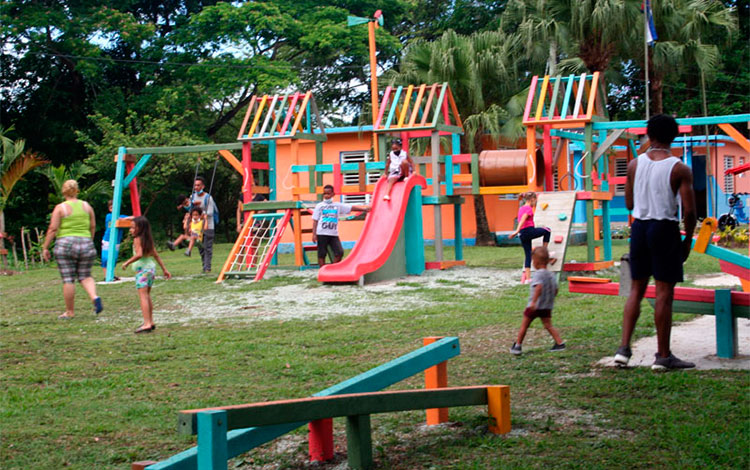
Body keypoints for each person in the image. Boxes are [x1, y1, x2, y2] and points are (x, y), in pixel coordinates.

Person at [614, 114, 697, 370]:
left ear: (648, 136)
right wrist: (687, 240)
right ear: (674, 137)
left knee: (636, 291)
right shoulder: (679, 168)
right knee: (663, 294)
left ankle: (623, 350)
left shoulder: (634, 165)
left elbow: (629, 204)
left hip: (639, 228)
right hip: (664, 228)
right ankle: (662, 356)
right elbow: (690, 211)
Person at [41, 179, 103, 319]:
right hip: (86, 242)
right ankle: (94, 297)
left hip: (66, 244)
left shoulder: (60, 208)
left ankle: (70, 311)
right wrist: (89, 240)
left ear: (64, 191)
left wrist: (45, 247)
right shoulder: (87, 206)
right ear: (77, 191)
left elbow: (53, 229)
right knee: (85, 275)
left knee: (68, 279)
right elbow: (93, 226)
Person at [509, 246, 565, 355]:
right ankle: (560, 343)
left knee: (524, 325)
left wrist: (534, 302)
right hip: (547, 306)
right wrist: (552, 298)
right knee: (548, 325)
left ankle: (518, 346)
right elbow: (556, 288)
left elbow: (538, 287)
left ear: (536, 261)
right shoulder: (551, 274)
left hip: (535, 306)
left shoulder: (538, 274)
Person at [122, 216, 171, 334]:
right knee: (147, 295)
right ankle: (151, 321)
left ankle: (147, 323)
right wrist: (164, 269)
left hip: (142, 271)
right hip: (151, 269)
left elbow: (138, 254)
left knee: (143, 297)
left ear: (140, 228)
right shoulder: (147, 239)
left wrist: (127, 262)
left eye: (133, 228)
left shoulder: (137, 239)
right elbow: (156, 255)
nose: (130, 230)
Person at [312, 185, 370, 266]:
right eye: (325, 194)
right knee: (322, 254)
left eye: (328, 194)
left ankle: (332, 269)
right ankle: (322, 271)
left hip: (333, 233)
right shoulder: (319, 206)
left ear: (333, 194)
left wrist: (364, 209)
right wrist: (314, 234)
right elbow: (315, 220)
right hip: (322, 233)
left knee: (339, 252)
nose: (326, 196)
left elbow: (350, 207)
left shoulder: (337, 205)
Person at [508, 192, 555, 283]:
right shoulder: (528, 208)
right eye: (535, 201)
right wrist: (516, 230)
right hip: (528, 231)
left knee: (528, 255)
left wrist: (518, 232)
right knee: (547, 230)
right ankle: (544, 251)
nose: (536, 203)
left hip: (522, 234)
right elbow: (523, 219)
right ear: (532, 199)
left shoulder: (521, 208)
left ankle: (528, 279)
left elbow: (521, 219)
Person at [187, 177, 218, 273]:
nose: (196, 187)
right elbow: (190, 211)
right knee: (200, 247)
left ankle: (207, 267)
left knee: (207, 247)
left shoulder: (208, 198)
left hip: (208, 225)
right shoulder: (192, 197)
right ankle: (204, 266)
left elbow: (210, 212)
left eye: (198, 185)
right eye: (195, 185)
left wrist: (199, 209)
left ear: (203, 186)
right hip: (197, 227)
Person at [101, 200, 128, 280]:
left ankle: (111, 274)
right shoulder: (109, 216)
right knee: (106, 258)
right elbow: (116, 219)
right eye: (111, 207)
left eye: (115, 207)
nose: (113, 209)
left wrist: (128, 217)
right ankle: (106, 276)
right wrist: (126, 218)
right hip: (107, 240)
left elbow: (133, 218)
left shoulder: (121, 216)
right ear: (109, 209)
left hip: (116, 241)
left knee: (114, 258)